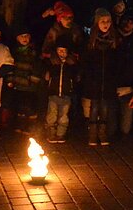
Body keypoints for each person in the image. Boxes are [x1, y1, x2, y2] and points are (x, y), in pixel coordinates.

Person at [81, 8, 124, 146]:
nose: (106, 24)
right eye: (103, 21)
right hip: (95, 81)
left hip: (108, 81)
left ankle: (102, 132)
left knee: (105, 107)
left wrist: (114, 78)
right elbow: (86, 63)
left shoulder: (114, 41)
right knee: (94, 108)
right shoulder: (91, 42)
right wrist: (88, 79)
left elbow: (117, 62)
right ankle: (92, 133)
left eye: (108, 21)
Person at [6, 27, 44, 135]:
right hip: (18, 84)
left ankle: (29, 127)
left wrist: (33, 80)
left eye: (27, 36)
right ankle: (19, 125)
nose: (25, 38)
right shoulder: (13, 52)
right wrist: (10, 80)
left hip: (29, 85)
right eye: (22, 36)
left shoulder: (33, 52)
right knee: (19, 106)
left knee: (30, 106)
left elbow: (37, 67)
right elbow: (10, 66)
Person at [43, 44, 77, 143]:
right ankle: (51, 133)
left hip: (66, 94)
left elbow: (74, 77)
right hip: (53, 93)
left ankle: (60, 134)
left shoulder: (71, 64)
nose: (62, 53)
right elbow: (47, 75)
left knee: (63, 116)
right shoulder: (52, 63)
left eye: (64, 51)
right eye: (60, 50)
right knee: (52, 115)